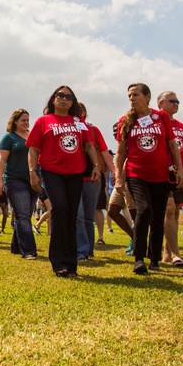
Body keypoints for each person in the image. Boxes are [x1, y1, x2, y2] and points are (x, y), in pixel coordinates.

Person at [27, 86, 102, 278]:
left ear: (73, 102)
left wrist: (96, 166)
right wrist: (33, 172)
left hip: (76, 173)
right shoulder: (43, 121)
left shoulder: (78, 121)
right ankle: (58, 262)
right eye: (60, 95)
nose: (64, 99)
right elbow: (34, 149)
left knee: (71, 217)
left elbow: (88, 145)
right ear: (53, 99)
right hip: (52, 172)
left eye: (69, 97)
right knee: (60, 210)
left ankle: (71, 264)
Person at [114, 84, 183, 275]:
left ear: (147, 97)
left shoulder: (161, 117)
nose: (132, 98)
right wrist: (118, 177)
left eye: (136, 94)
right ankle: (139, 258)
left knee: (157, 216)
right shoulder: (125, 120)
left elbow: (172, 146)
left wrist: (179, 171)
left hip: (161, 175)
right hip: (136, 174)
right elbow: (120, 152)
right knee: (143, 210)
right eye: (129, 95)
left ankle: (154, 260)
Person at [157, 91, 183, 267]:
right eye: (171, 100)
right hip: (161, 173)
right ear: (160, 103)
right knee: (168, 209)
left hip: (179, 175)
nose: (176, 103)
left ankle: (167, 251)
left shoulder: (182, 127)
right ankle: (175, 254)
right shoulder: (155, 122)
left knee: (174, 214)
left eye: (177, 101)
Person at [0, 109, 37, 260]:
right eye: (23, 120)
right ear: (15, 122)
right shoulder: (9, 138)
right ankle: (29, 251)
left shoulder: (32, 137)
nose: (26, 123)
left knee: (24, 216)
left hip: (32, 181)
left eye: (28, 120)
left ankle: (16, 247)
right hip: (14, 180)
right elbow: (2, 160)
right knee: (23, 215)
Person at [74, 105, 115, 261]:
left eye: (80, 111)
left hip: (93, 178)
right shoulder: (67, 129)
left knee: (88, 217)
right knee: (78, 215)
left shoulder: (93, 130)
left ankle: (88, 251)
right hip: (74, 178)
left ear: (85, 113)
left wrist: (114, 172)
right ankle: (81, 251)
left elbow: (104, 151)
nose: (77, 113)